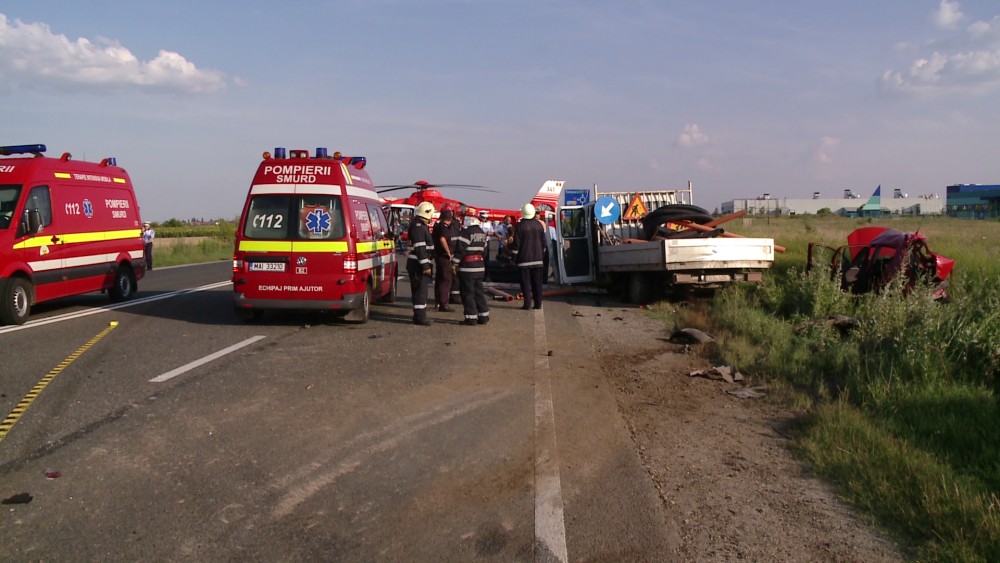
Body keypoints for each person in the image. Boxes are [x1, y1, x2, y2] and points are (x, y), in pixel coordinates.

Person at [451, 207, 490, 326]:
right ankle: (484, 316)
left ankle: (471, 318)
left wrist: (454, 262)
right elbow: (485, 251)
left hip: (467, 268)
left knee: (467, 293)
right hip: (479, 267)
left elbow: (461, 249)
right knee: (479, 293)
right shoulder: (481, 232)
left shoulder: (466, 232)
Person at [511, 203, 546, 310]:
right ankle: (538, 303)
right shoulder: (539, 225)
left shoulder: (520, 226)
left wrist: (513, 258)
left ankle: (527, 304)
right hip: (538, 260)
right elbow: (544, 243)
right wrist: (541, 255)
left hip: (524, 261)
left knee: (526, 284)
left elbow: (516, 244)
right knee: (537, 284)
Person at [406, 202, 435, 326]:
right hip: (418, 264)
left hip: (419, 262)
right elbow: (420, 247)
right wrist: (425, 265)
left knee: (421, 290)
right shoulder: (419, 226)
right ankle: (420, 317)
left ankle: (419, 314)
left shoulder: (420, 225)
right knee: (420, 291)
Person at [432, 208, 456, 312]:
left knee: (439, 278)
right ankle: (443, 303)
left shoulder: (437, 226)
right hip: (444, 256)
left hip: (438, 255)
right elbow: (443, 239)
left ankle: (438, 301)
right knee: (446, 279)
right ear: (450, 218)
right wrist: (448, 252)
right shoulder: (445, 227)